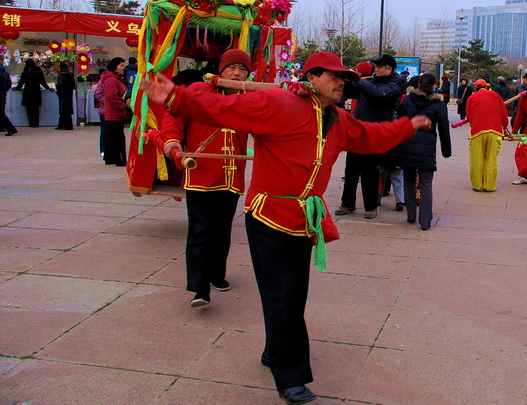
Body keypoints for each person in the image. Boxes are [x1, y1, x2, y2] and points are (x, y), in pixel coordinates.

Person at [140, 51, 431, 405]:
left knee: (292, 295)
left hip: (304, 219)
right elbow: (224, 110)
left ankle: (274, 351)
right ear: (312, 77)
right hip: (268, 216)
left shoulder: (339, 119)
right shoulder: (277, 103)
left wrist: (407, 126)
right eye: (334, 77)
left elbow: (371, 136)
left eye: (345, 79)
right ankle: (290, 378)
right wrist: (174, 95)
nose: (342, 84)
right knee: (283, 296)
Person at [161, 49, 251, 308]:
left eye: (242, 69)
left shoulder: (249, 98)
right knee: (200, 230)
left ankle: (216, 274)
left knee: (222, 230)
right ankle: (199, 288)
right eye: (232, 67)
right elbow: (174, 113)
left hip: (232, 175)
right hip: (200, 173)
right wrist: (172, 142)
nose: (236, 73)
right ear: (221, 69)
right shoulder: (200, 90)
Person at [337, 54, 404, 219]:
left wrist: (359, 81)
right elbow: (353, 91)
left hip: (374, 133)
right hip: (357, 131)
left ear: (390, 68)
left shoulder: (395, 84)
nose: (377, 69)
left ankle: (370, 206)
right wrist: (345, 79)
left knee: (369, 171)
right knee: (351, 169)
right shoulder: (371, 82)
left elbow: (377, 95)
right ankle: (347, 203)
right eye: (376, 66)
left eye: (380, 66)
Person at [396, 72, 452, 230]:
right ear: (434, 85)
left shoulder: (407, 101)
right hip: (427, 149)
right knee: (426, 185)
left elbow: (399, 124)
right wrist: (446, 150)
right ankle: (425, 221)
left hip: (407, 146)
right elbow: (443, 129)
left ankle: (411, 216)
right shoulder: (438, 105)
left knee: (408, 180)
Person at [466, 78, 508, 192]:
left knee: (477, 159)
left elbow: (469, 116)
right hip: (494, 131)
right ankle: (489, 186)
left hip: (477, 132)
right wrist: (505, 126)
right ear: (486, 86)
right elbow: (504, 114)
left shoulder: (471, 98)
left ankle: (477, 185)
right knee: (491, 158)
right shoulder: (496, 96)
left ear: (475, 88)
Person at [100, 57, 128, 167]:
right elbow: (112, 96)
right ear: (114, 67)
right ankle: (119, 158)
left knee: (112, 136)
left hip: (114, 112)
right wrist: (123, 106)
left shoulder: (113, 79)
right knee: (117, 136)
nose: (122, 68)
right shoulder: (111, 80)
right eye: (121, 66)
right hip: (115, 113)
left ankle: (110, 157)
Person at [15, 59, 52, 127]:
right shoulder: (38, 72)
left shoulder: (25, 73)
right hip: (36, 91)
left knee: (29, 108)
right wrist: (48, 88)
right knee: (36, 108)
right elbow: (43, 82)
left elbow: (21, 83)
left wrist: (16, 88)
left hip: (27, 91)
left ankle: (31, 123)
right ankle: (36, 122)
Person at [55, 61, 76, 130]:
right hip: (69, 93)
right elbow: (73, 85)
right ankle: (63, 124)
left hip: (63, 94)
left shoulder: (61, 76)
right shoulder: (70, 75)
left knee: (63, 108)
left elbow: (60, 85)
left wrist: (57, 88)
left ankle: (65, 125)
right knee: (68, 108)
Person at [0, 63, 17, 136]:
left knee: (1, 113)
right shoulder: (5, 73)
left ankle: (10, 128)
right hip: (2, 94)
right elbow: (8, 85)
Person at [94, 70, 106, 159]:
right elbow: (98, 94)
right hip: (105, 110)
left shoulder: (119, 79)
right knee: (104, 130)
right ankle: (103, 149)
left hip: (113, 110)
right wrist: (107, 102)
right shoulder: (103, 81)